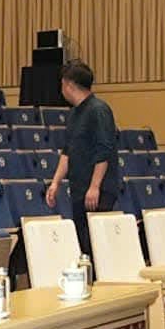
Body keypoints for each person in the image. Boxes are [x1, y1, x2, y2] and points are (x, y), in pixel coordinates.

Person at [47, 60, 120, 258]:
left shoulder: (98, 110)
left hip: (97, 191)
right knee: (83, 245)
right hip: (79, 189)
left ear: (69, 85)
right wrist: (55, 182)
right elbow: (68, 151)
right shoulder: (74, 114)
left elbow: (104, 150)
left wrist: (95, 186)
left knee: (96, 246)